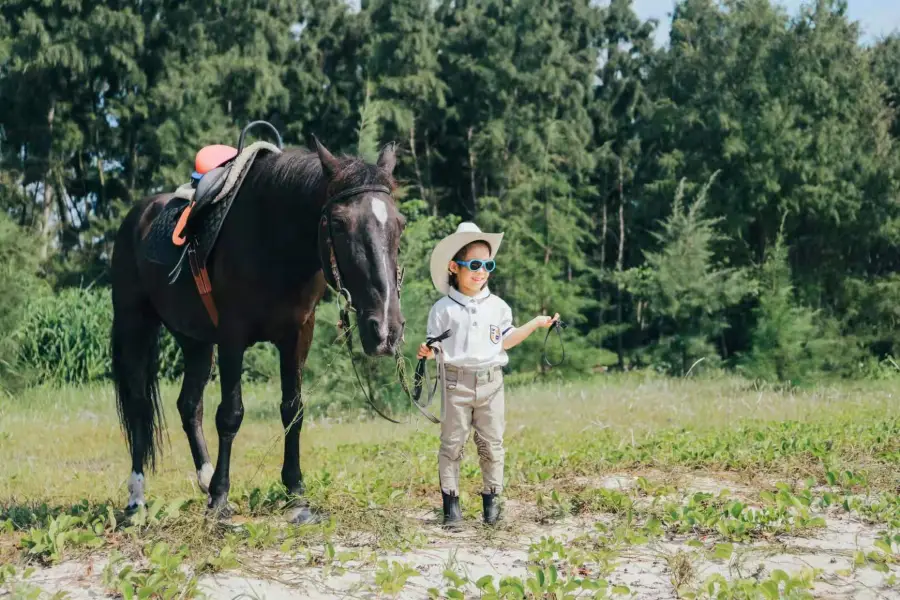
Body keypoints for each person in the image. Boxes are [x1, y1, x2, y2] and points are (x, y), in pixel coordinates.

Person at [418, 222, 559, 527]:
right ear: (455, 267)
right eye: (475, 265)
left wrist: (535, 324)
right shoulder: (443, 309)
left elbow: (505, 340)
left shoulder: (498, 306)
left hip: (491, 382)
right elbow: (437, 346)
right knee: (452, 444)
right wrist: (429, 353)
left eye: (488, 265)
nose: (482, 272)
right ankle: (451, 505)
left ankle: (491, 504)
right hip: (455, 383)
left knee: (491, 443)